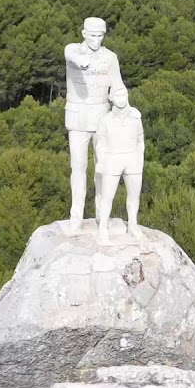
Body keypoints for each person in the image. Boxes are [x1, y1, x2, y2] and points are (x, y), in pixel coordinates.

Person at [64, 17, 125, 232]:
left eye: (100, 36)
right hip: (78, 117)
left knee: (102, 168)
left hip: (102, 117)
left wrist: (123, 105)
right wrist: (84, 60)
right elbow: (71, 54)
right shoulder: (73, 50)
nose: (96, 40)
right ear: (83, 33)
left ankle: (102, 215)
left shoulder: (110, 58)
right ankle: (76, 217)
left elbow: (118, 87)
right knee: (78, 168)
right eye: (92, 35)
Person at [94, 86, 144, 241]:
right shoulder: (105, 119)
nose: (122, 98)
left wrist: (139, 159)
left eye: (124, 95)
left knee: (134, 196)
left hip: (132, 159)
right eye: (118, 95)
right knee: (107, 197)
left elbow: (140, 140)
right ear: (111, 98)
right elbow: (100, 143)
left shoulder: (135, 116)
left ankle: (133, 225)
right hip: (112, 159)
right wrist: (102, 161)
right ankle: (103, 227)